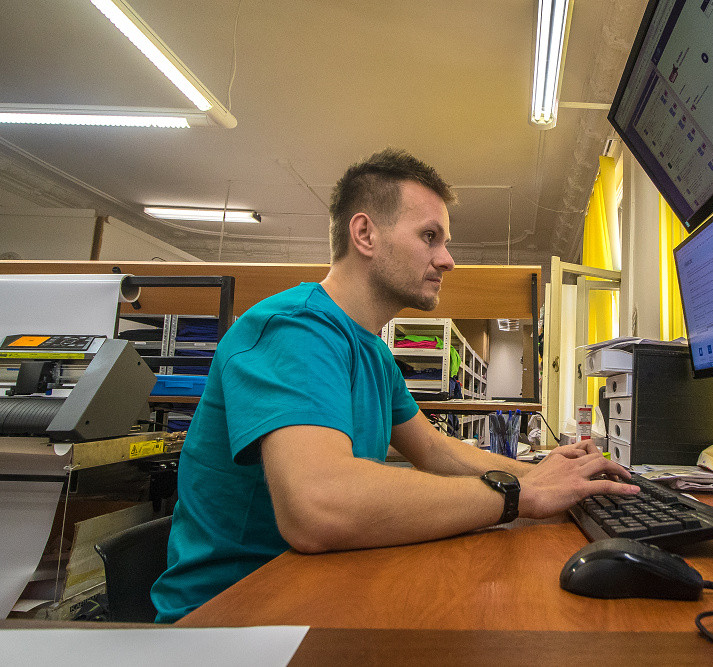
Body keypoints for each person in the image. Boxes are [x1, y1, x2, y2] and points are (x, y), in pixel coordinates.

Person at [150, 148, 638, 622]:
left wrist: (543, 475)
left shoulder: (372, 351)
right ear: (364, 233)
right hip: (229, 619)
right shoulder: (294, 329)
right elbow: (318, 505)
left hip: (308, 593)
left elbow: (434, 450)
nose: (447, 260)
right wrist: (516, 496)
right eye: (430, 236)